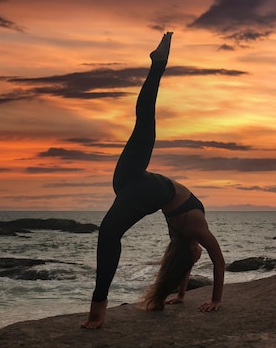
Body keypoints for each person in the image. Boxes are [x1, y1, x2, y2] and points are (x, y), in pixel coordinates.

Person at [82, 32, 225, 330]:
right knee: (144, 122)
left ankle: (98, 310)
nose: (198, 258)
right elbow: (215, 261)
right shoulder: (192, 230)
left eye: (192, 259)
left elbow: (203, 260)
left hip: (146, 187)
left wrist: (214, 301)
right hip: (132, 181)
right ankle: (158, 64)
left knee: (109, 233)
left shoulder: (188, 233)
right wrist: (188, 295)